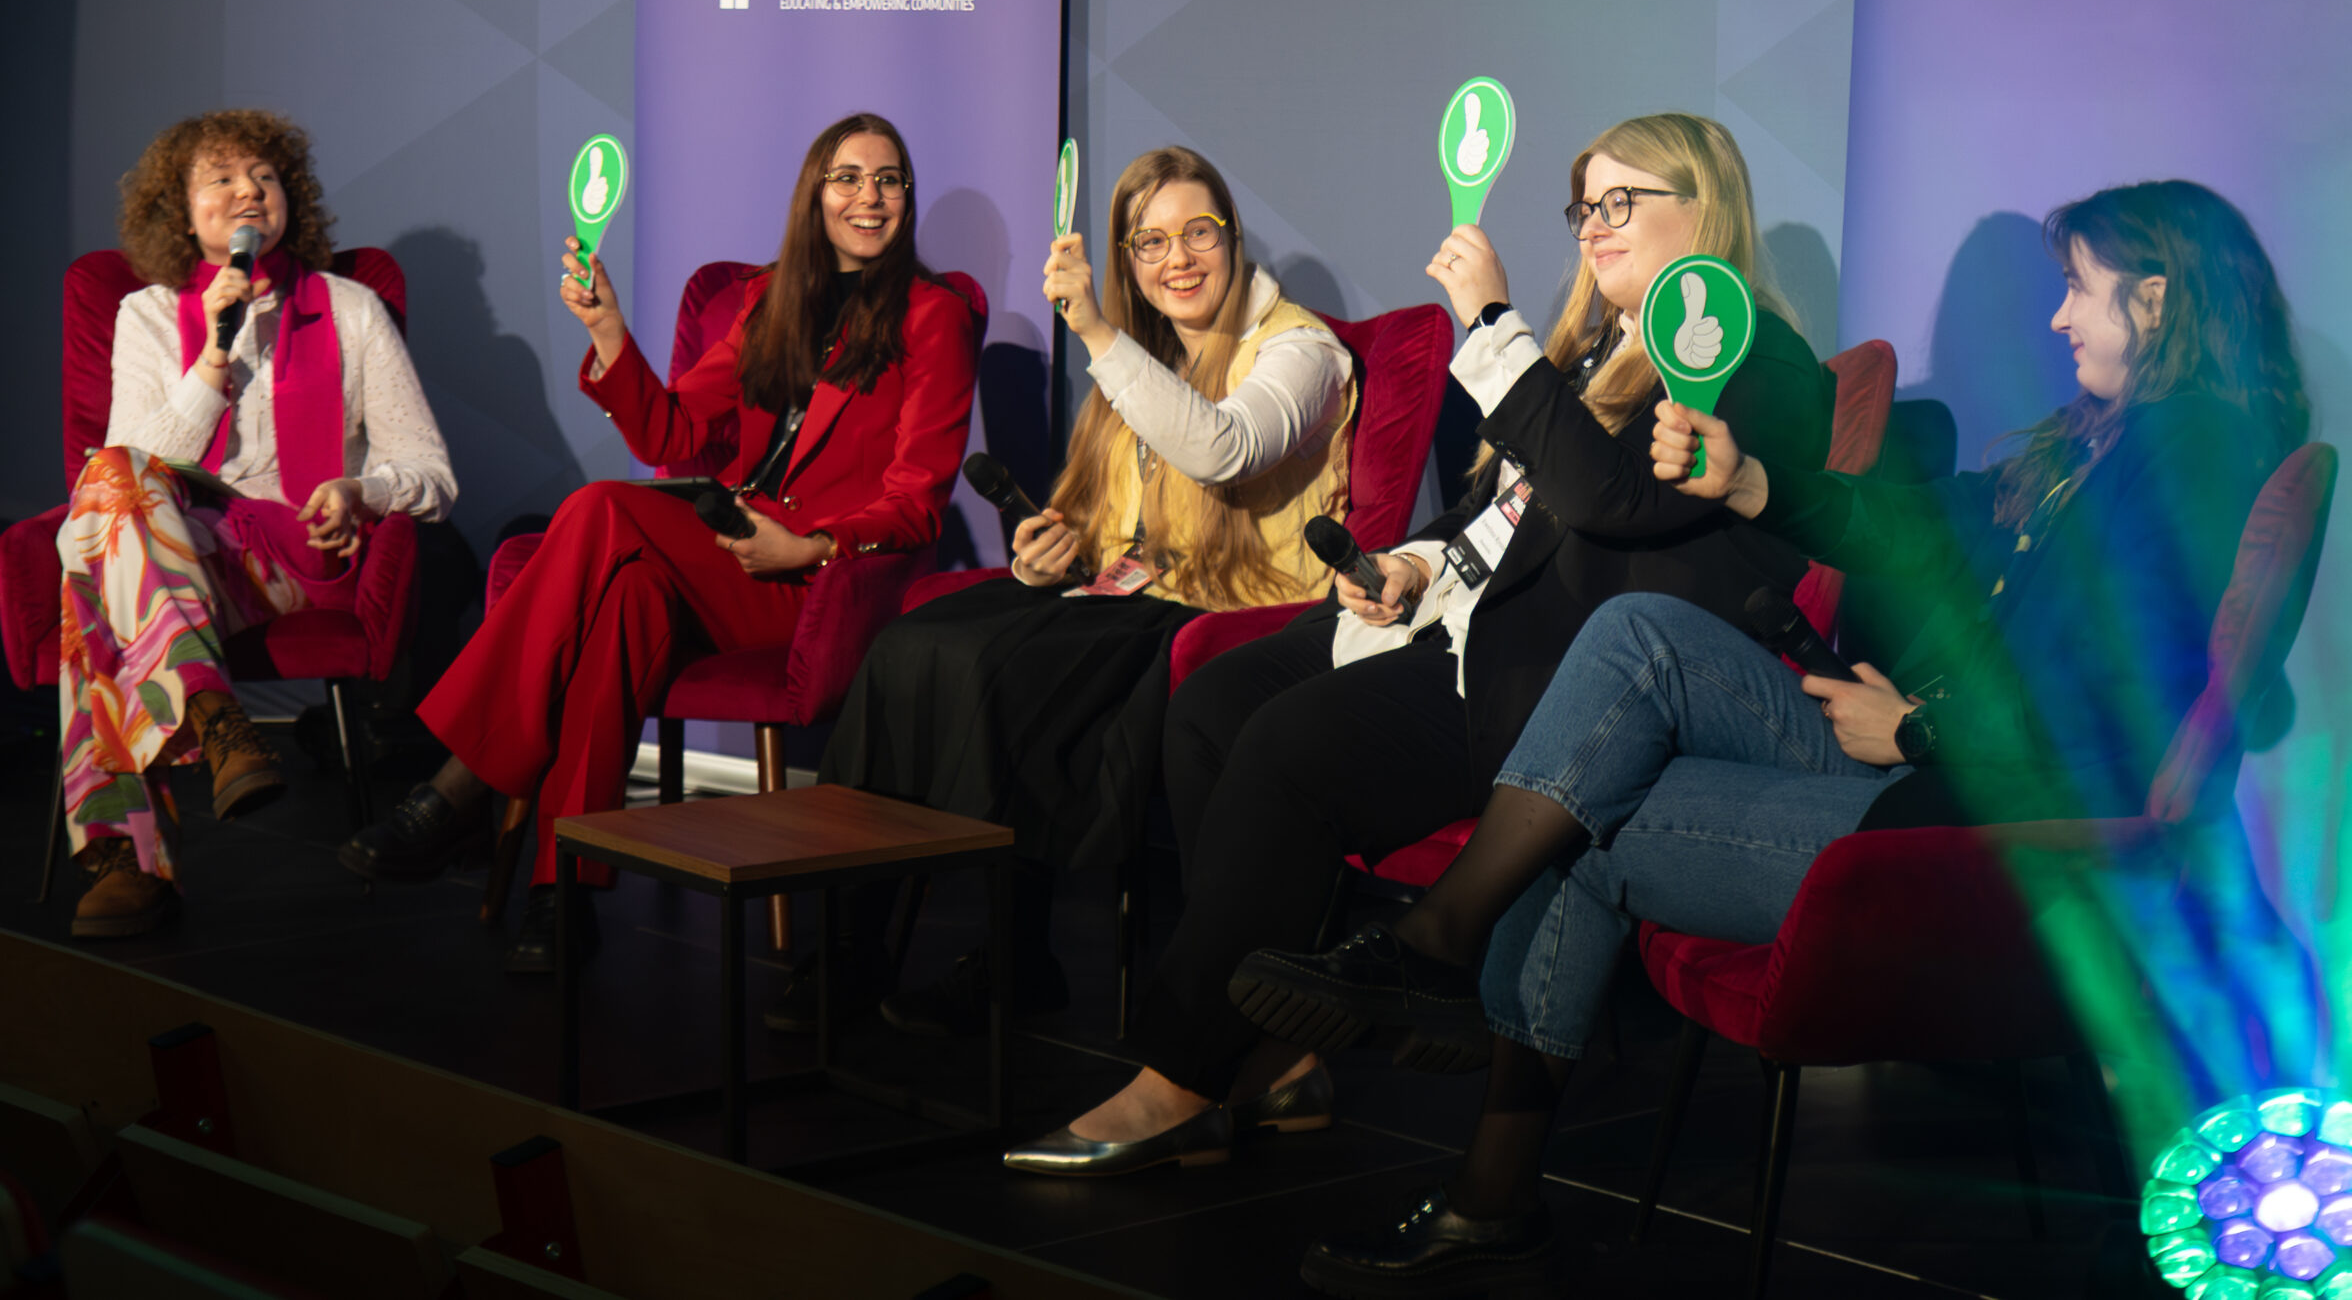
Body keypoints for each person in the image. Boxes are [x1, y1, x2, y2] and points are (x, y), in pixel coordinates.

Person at [1233, 179, 2304, 1293]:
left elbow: (2124, 701)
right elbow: (1920, 525)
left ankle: (1473, 1123)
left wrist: (1925, 730)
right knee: (1635, 637)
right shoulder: (2105, 442)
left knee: (1577, 815)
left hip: (1991, 825)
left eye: (2077, 288)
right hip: (1939, 778)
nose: (2058, 315)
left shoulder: (2193, 450)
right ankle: (1446, 974)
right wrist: (1747, 481)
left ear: (2157, 298)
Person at [1004, 112, 1834, 1176]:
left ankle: (1181, 1077)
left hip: (1558, 683)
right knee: (1210, 706)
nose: (1591, 226)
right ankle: (1273, 1053)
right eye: (1584, 204)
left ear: (1704, 206)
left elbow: (1609, 501)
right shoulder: (1593, 347)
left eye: (1622, 202)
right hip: (1462, 619)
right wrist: (1411, 563)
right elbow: (1498, 514)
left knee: (1289, 747)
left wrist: (1491, 322)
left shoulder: (1758, 360)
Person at [338, 112, 979, 971]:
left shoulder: (934, 316)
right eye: (848, 177)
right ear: (814, 194)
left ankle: (460, 784)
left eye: (889, 179)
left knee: (601, 505)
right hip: (729, 551)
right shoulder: (768, 300)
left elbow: (917, 502)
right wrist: (609, 331)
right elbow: (674, 433)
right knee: (624, 604)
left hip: (817, 584)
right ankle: (562, 893)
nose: (871, 196)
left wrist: (812, 547)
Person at [806, 146, 1357, 1037]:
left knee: (1000, 670)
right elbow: (1107, 527)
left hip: (1229, 615)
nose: (1177, 259)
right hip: (1127, 595)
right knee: (913, 645)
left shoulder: (1301, 349)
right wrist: (1045, 554)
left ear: (1234, 237)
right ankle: (845, 946)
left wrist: (1098, 332)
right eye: (1150, 242)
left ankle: (1015, 955)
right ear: (1129, 259)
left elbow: (1222, 448)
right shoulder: (1147, 357)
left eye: (1198, 232)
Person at [61, 110, 456, 939]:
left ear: (289, 198)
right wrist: (213, 358)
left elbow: (431, 473)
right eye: (222, 178)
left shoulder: (350, 308)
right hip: (180, 550)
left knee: (94, 571)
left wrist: (361, 490)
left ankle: (129, 856)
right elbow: (131, 470)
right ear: (181, 211)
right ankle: (214, 716)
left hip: (293, 557)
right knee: (111, 498)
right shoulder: (147, 315)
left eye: (264, 176)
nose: (248, 191)